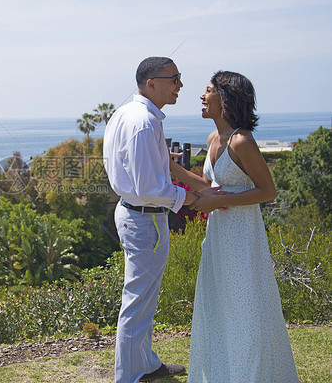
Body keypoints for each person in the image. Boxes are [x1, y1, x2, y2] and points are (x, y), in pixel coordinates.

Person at [170, 71, 299, 382]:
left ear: (225, 98)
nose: (202, 96)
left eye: (208, 90)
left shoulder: (242, 141)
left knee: (246, 311)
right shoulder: (214, 139)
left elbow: (268, 191)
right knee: (219, 306)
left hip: (242, 237)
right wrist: (171, 167)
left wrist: (220, 199)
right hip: (217, 236)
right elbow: (209, 185)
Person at [103, 57, 199, 383]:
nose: (180, 85)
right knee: (137, 302)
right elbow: (150, 188)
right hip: (145, 220)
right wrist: (193, 199)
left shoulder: (128, 114)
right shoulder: (143, 122)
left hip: (136, 214)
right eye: (175, 78)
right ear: (151, 84)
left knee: (144, 299)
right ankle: (129, 377)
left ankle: (145, 364)